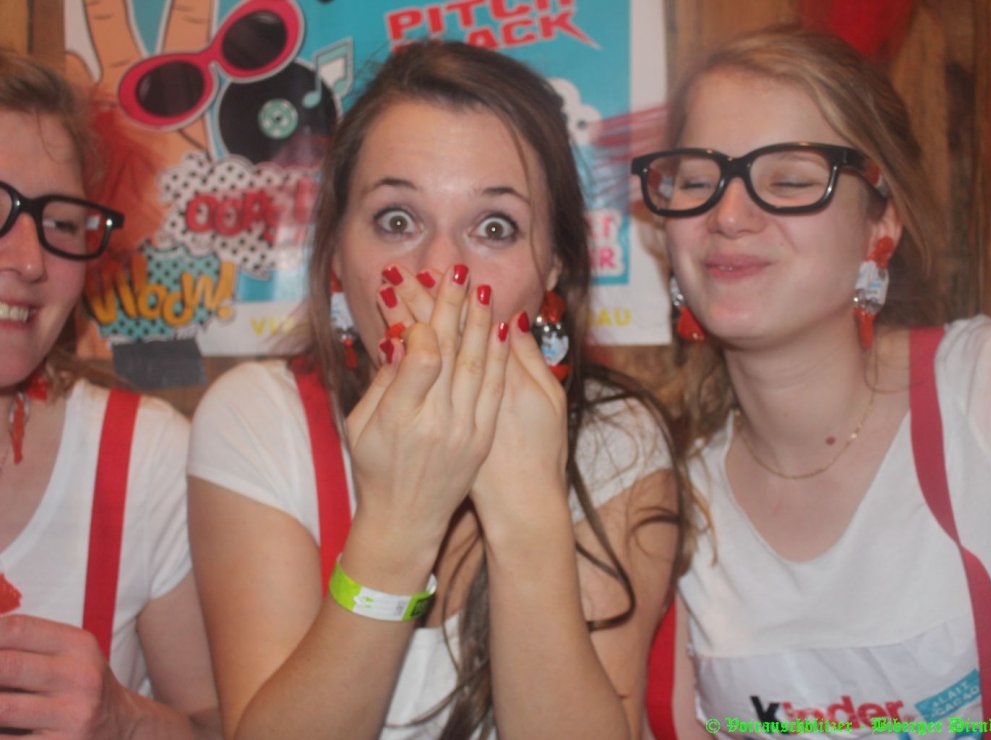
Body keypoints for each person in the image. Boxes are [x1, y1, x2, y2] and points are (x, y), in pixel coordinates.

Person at [188, 40, 684, 739]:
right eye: (397, 220)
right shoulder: (259, 420)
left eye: (494, 227)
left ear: (552, 266)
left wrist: (526, 515)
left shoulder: (616, 441)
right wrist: (400, 521)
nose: (440, 269)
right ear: (336, 252)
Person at [631, 25, 991, 738]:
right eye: (698, 182)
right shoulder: (663, 487)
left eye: (790, 180)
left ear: (880, 224)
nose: (727, 216)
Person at [0, 50, 219, 737]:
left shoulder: (142, 458)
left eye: (61, 223)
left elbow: (221, 727)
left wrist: (123, 722)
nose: (30, 260)